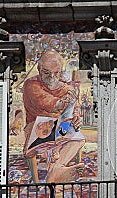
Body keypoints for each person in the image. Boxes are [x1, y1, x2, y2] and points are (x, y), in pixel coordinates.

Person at [23, 49, 85, 183]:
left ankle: (56, 169)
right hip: (36, 126)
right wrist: (62, 102)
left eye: (56, 73)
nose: (52, 76)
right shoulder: (31, 84)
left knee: (78, 138)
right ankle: (55, 171)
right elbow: (45, 101)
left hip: (60, 127)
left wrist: (76, 118)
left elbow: (75, 108)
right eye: (47, 72)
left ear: (60, 71)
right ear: (39, 69)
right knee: (47, 139)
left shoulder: (66, 87)